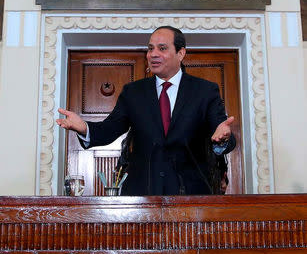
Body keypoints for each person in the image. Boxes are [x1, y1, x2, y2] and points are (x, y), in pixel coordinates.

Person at [57, 26, 236, 196]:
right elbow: (109, 130)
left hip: (190, 195)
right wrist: (84, 128)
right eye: (150, 49)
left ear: (180, 53)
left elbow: (223, 132)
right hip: (141, 195)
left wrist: (224, 138)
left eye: (162, 48)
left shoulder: (204, 91)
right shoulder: (133, 92)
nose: (153, 54)